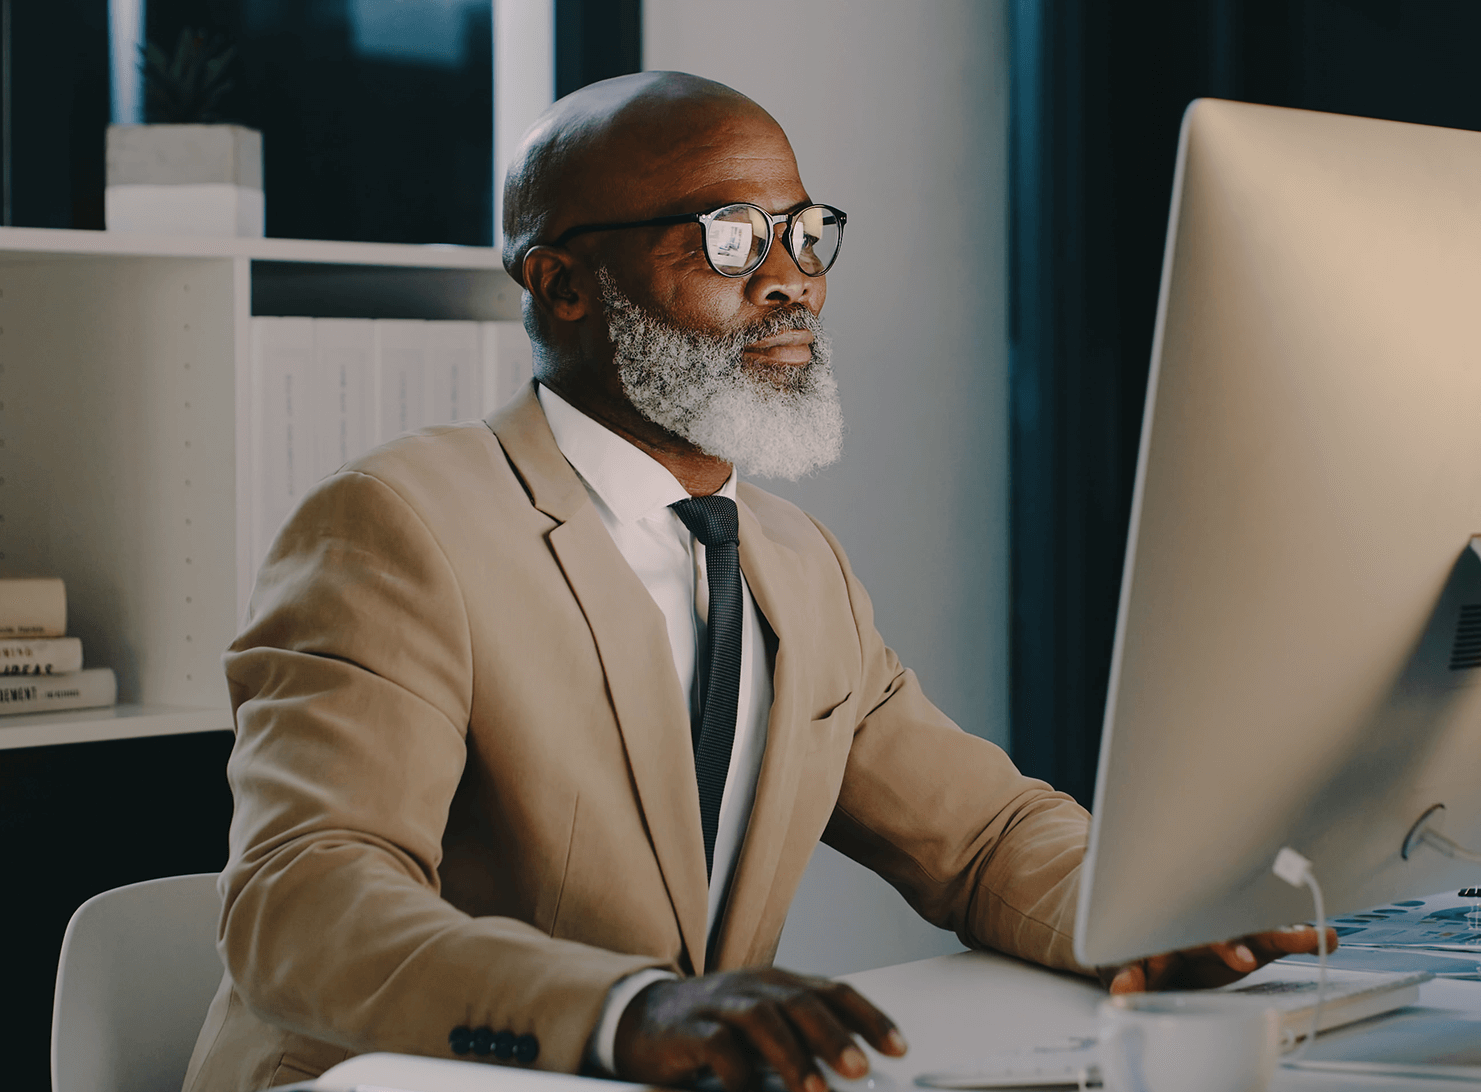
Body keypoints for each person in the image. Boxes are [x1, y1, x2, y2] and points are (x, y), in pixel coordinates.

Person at [183, 72, 1330, 1092]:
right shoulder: (396, 526)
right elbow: (304, 898)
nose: (789, 283)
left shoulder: (790, 558)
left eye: (802, 233)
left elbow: (978, 837)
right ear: (562, 283)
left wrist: (1139, 919)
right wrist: (629, 1011)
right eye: (727, 240)